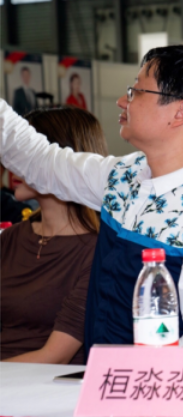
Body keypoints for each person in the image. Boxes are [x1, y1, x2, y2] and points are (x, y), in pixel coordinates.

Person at [0, 45, 183, 371]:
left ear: (179, 113)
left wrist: (124, 386)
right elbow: (41, 162)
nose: (122, 101)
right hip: (104, 381)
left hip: (164, 391)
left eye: (136, 91)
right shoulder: (123, 176)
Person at [0, 106, 108, 365]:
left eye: (24, 157)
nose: (12, 167)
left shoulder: (98, 252)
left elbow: (55, 356)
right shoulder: (10, 239)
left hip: (42, 384)